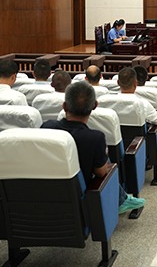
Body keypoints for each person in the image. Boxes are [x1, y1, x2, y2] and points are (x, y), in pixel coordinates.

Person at [42, 81, 145, 214]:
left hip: (45, 192)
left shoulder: (47, 127)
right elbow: (101, 172)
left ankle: (122, 198)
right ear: (95, 105)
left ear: (64, 106)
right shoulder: (95, 138)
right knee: (106, 163)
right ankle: (121, 199)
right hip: (82, 195)